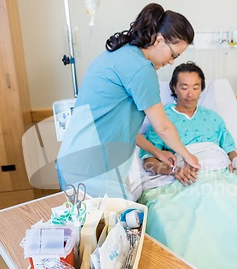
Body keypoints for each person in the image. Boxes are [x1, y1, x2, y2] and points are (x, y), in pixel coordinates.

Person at [56, 3, 200, 199]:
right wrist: (188, 156)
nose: (172, 61)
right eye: (173, 54)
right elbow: (163, 128)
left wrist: (156, 151)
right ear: (159, 40)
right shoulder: (141, 69)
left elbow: (119, 127)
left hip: (75, 162)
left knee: (96, 228)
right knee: (124, 227)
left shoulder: (119, 53)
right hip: (94, 170)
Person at [140, 61, 237, 186]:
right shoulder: (161, 118)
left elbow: (229, 149)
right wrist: (172, 170)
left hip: (222, 171)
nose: (190, 94)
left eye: (195, 87)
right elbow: (148, 160)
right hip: (188, 175)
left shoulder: (213, 118)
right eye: (184, 87)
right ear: (174, 88)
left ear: (201, 89)